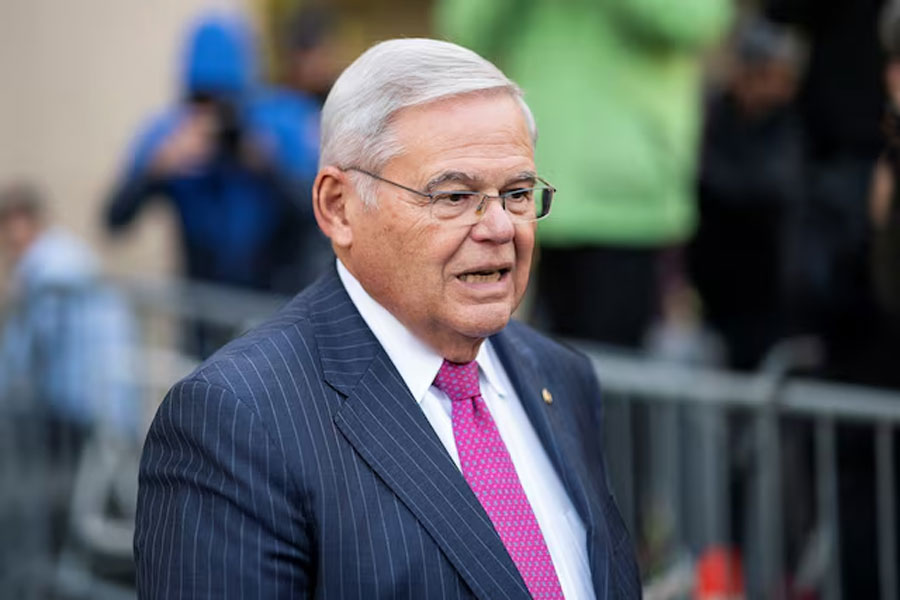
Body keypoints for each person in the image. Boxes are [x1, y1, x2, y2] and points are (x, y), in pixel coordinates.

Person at [135, 38, 640, 599]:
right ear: (338, 207)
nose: (501, 227)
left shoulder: (562, 377)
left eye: (518, 193)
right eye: (454, 196)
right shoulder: (236, 422)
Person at [437, 0, 733, 348]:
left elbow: (696, 21)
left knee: (616, 384)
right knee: (529, 370)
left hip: (629, 203)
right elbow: (465, 29)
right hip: (528, 191)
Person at [105, 12, 317, 296]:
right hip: (203, 314)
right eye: (202, 101)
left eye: (224, 104)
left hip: (276, 304)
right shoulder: (171, 134)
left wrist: (269, 167)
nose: (213, 118)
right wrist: (155, 171)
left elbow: (319, 217)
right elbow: (114, 220)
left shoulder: (282, 124)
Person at [0, 182, 138, 559]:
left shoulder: (45, 265)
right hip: (105, 396)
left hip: (79, 401)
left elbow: (28, 343)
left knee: (59, 497)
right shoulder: (68, 254)